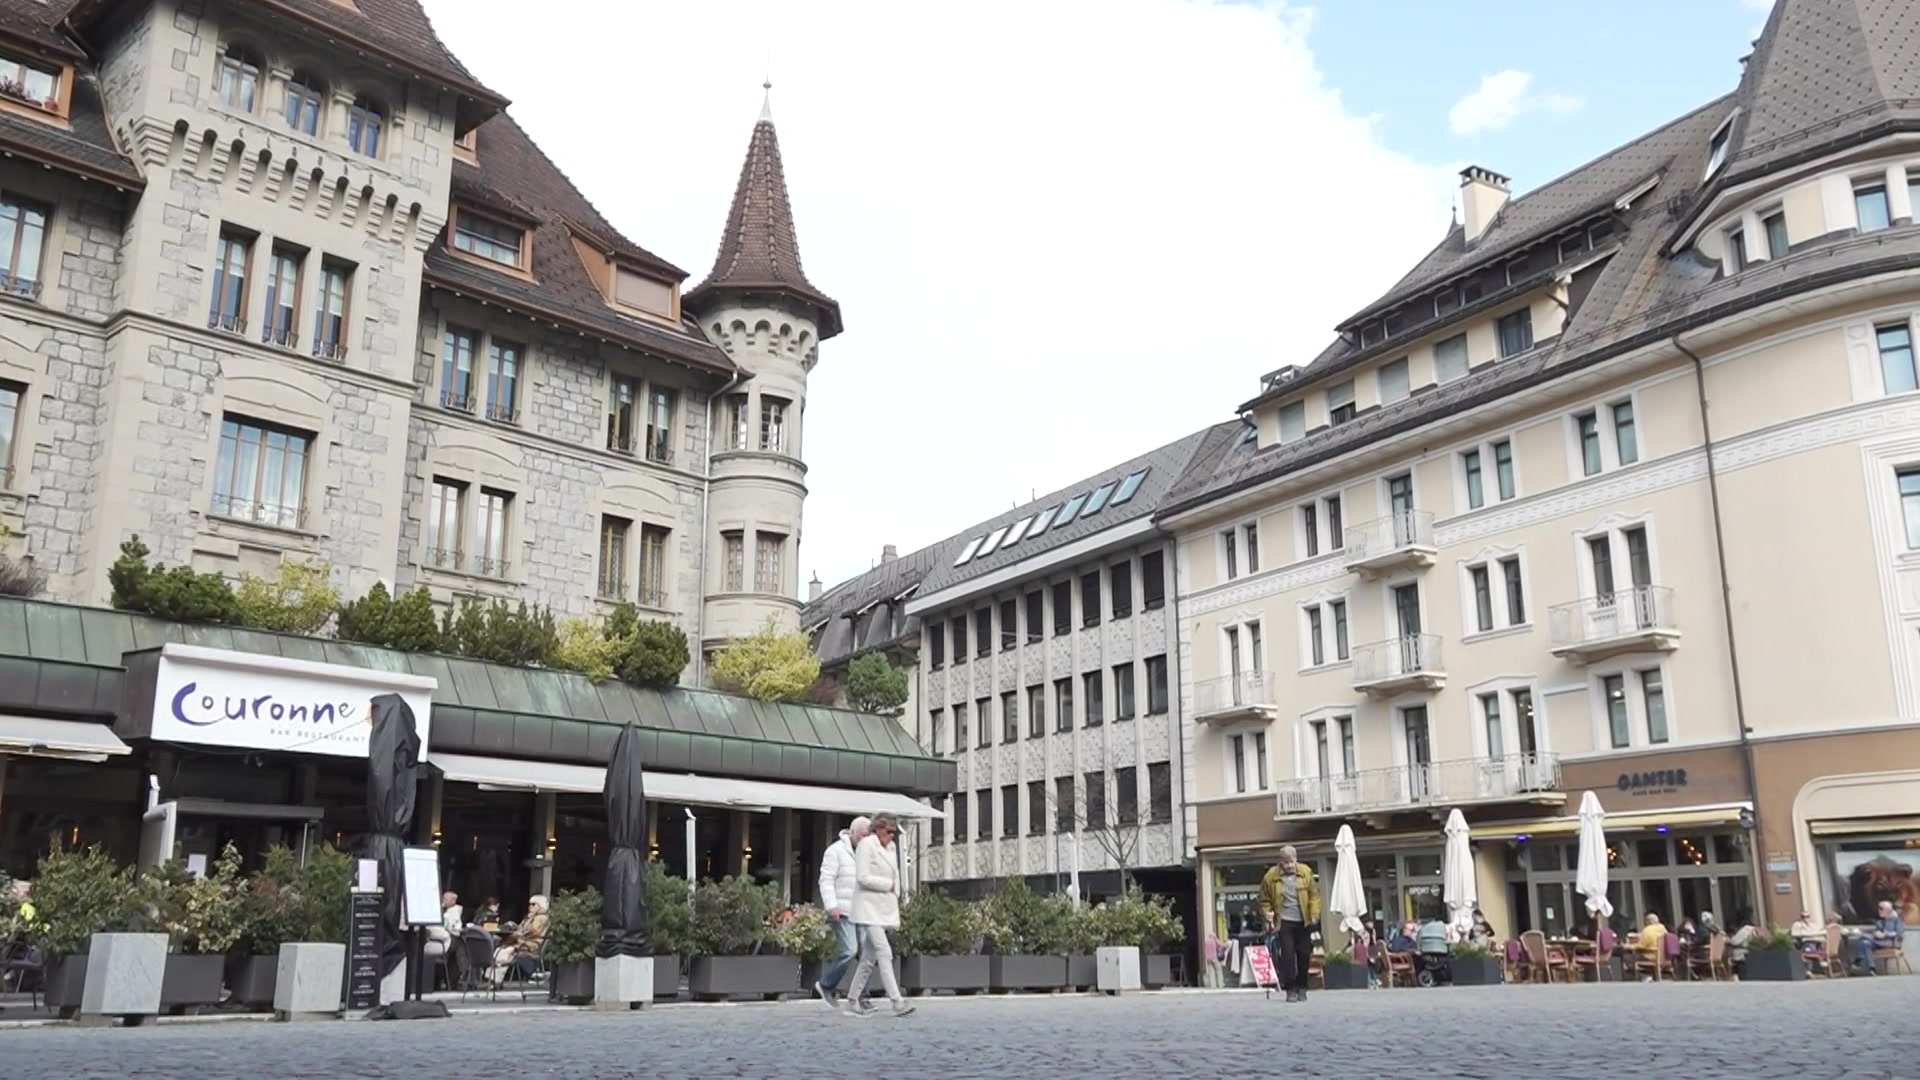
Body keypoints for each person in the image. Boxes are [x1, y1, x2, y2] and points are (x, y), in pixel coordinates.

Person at [844, 813, 914, 1018]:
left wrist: (896, 892)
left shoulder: (891, 848)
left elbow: (895, 874)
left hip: (882, 908)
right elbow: (862, 877)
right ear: (878, 829)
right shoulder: (866, 846)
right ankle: (896, 1001)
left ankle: (852, 998)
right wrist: (888, 885)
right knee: (884, 951)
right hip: (868, 908)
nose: (891, 835)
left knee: (869, 957)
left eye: (894, 832)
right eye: (888, 831)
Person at [813, 815, 871, 1008]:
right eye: (862, 835)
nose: (865, 840)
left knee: (865, 954)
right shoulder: (835, 851)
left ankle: (862, 996)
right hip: (843, 910)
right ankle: (826, 985)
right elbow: (826, 880)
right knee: (849, 950)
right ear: (852, 833)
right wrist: (831, 905)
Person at [1257, 845, 1321, 1003]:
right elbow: (1263, 899)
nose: (1289, 865)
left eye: (1292, 862)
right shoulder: (1271, 876)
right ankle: (1291, 989)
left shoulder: (1305, 872)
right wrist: (1267, 912)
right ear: (1281, 861)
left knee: (1304, 954)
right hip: (1284, 921)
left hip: (1303, 920)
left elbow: (1314, 895)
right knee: (1287, 955)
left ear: (1296, 859)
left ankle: (1302, 986)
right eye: (1286, 863)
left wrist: (1314, 913)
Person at [494, 895, 548, 981]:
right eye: (529, 904)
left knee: (502, 951)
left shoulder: (541, 918)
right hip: (523, 942)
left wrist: (529, 920)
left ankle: (495, 979)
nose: (530, 906)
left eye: (533, 904)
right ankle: (494, 978)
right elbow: (521, 929)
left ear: (540, 905)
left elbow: (532, 931)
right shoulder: (531, 916)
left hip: (530, 945)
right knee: (500, 949)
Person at [1855, 900, 1906, 974]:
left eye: (1881, 909)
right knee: (1865, 943)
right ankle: (1872, 968)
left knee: (1864, 937)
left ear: (1888, 910)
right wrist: (1877, 933)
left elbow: (1899, 933)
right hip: (1879, 941)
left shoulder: (1896, 920)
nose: (1879, 911)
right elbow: (1878, 930)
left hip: (1890, 942)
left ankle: (1858, 961)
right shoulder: (1880, 921)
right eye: (1879, 908)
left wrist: (1887, 934)